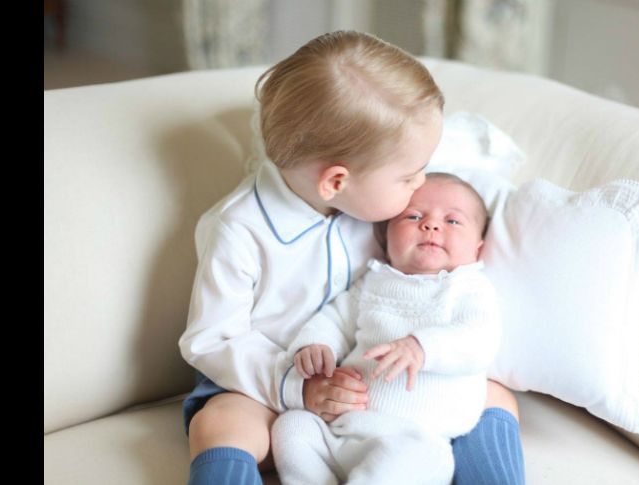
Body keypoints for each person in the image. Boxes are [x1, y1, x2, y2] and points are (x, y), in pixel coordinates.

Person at [179, 30, 525, 485]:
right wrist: (298, 386)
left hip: (382, 386)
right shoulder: (239, 230)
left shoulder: (378, 198)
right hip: (270, 388)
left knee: (495, 395)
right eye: (408, 177)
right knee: (221, 421)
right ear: (336, 182)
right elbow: (210, 340)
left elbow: (452, 161)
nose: (419, 184)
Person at [272, 173, 501, 485]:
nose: (431, 225)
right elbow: (335, 319)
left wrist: (422, 347)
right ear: (385, 235)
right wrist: (315, 345)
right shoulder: (374, 281)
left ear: (478, 249)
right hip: (343, 428)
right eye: (414, 216)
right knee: (292, 426)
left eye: (453, 221)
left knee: (424, 457)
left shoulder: (469, 288)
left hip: (417, 437)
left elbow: (481, 340)